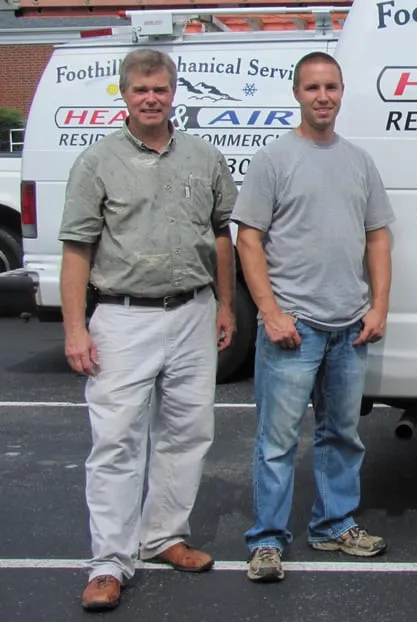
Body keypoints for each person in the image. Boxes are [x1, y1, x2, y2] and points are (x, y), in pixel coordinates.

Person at [60, 48, 238, 611]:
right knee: (116, 442)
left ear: (174, 91)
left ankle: (164, 536)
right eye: (141, 90)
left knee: (187, 434)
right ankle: (109, 562)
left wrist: (226, 305)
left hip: (192, 312)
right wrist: (74, 329)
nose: (151, 98)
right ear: (125, 94)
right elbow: (77, 250)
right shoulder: (97, 161)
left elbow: (221, 237)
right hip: (122, 316)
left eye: (160, 88)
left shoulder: (204, 157)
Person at [234, 50, 394, 583]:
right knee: (277, 441)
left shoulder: (359, 162)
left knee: (342, 434)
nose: (322, 97)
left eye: (330, 87)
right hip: (293, 329)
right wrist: (271, 313)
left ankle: (333, 525)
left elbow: (378, 237)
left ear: (342, 92)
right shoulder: (274, 159)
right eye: (312, 88)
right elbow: (248, 239)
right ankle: (266, 542)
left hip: (349, 325)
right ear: (296, 93)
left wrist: (379, 306)